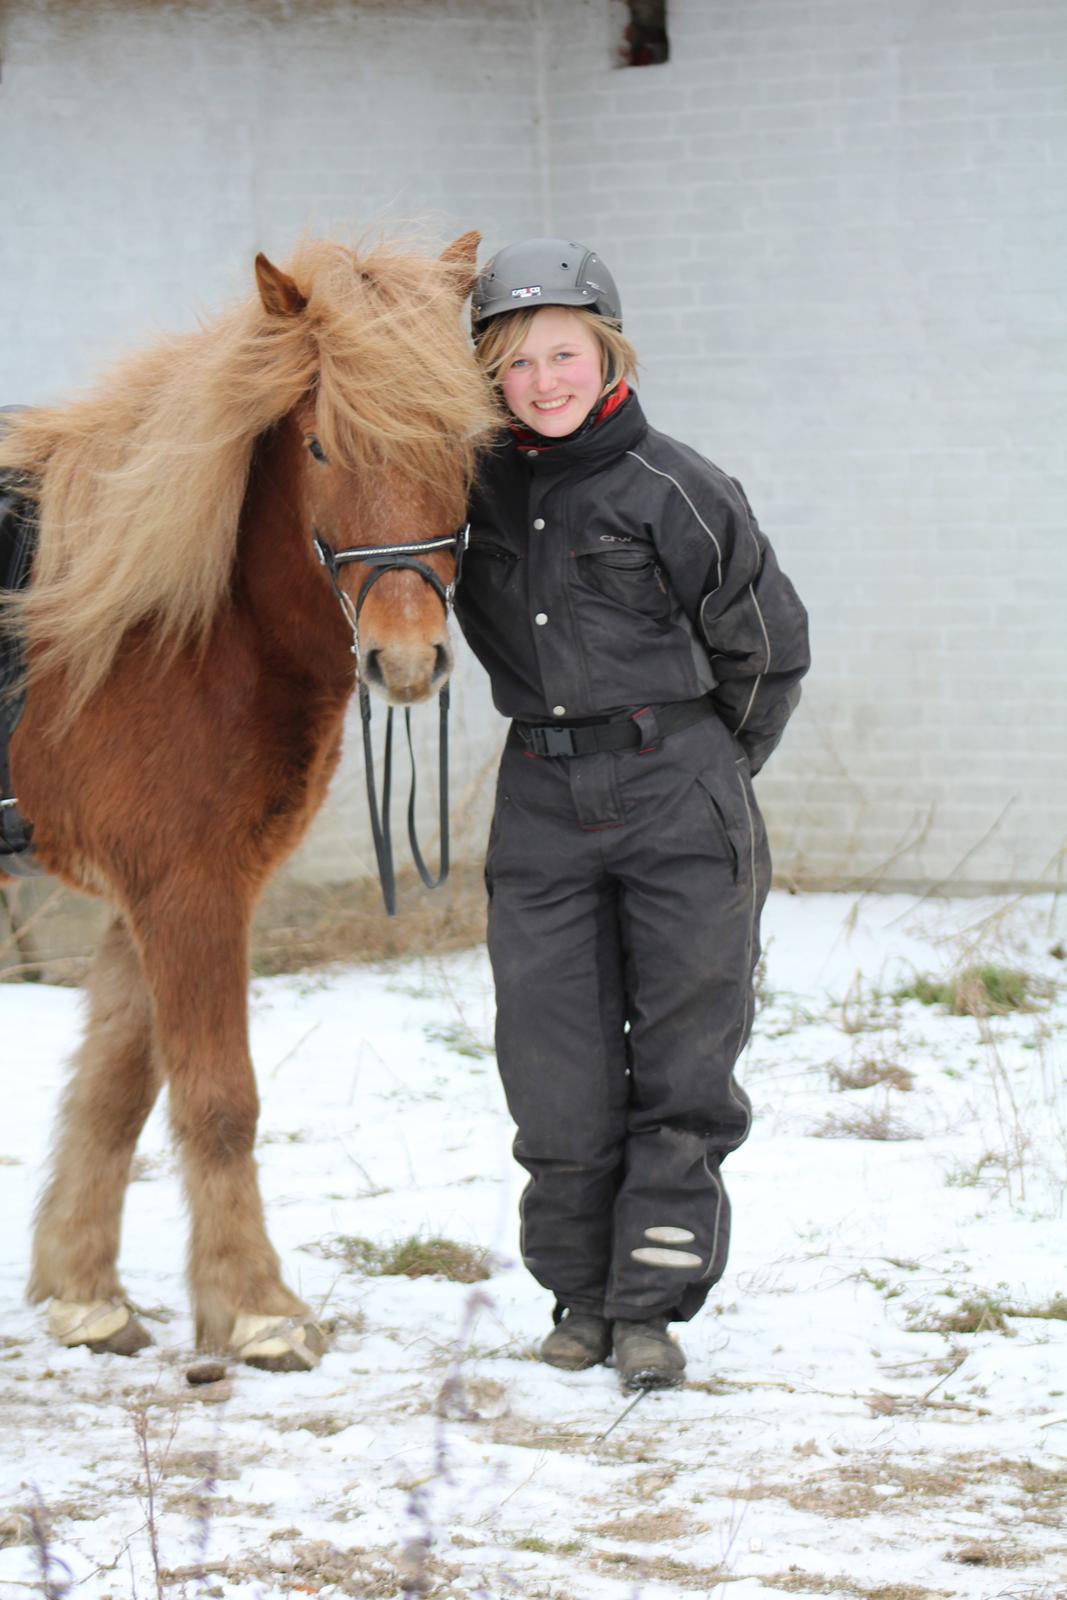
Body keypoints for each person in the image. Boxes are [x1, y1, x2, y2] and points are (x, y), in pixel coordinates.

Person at [454, 238, 810, 1390]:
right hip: (541, 800)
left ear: (606, 353)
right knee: (549, 1059)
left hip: (678, 788)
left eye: (563, 353)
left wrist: (706, 767)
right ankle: (575, 1291)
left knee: (681, 1058)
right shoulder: (472, 493)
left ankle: (650, 1304)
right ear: (489, 379)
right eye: (514, 363)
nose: (542, 381)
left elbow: (767, 648)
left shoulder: (679, 488)